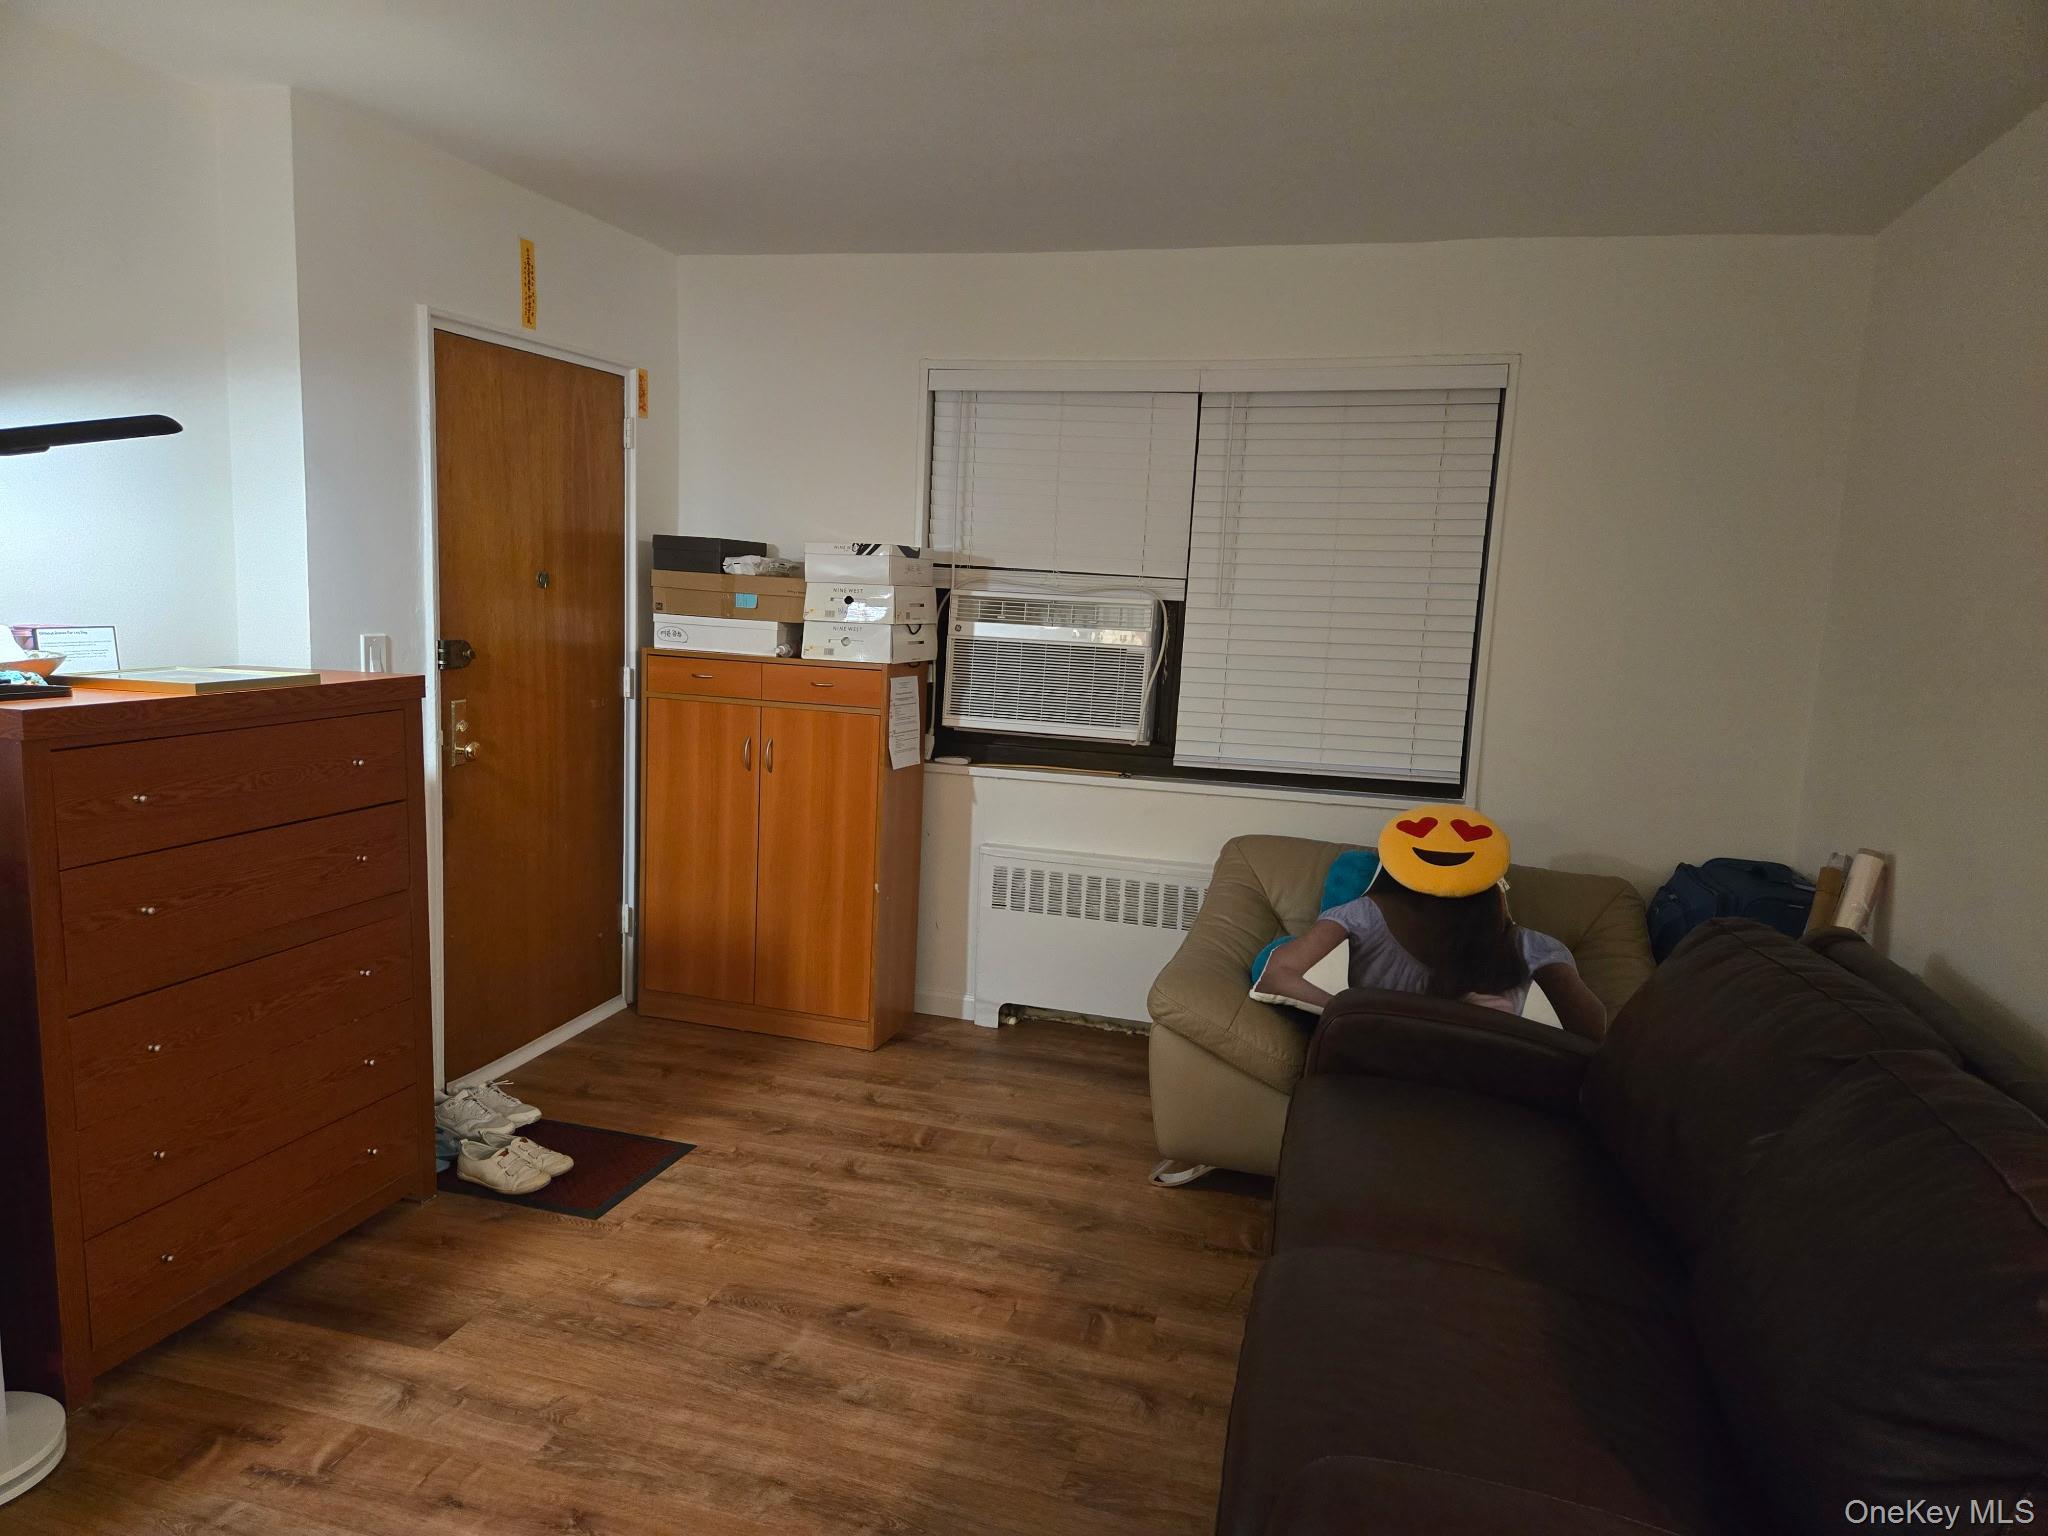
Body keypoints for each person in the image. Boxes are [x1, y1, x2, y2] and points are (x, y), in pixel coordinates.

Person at [1255, 807, 1608, 1038]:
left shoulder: (1536, 949)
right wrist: (1372, 1018)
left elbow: (1592, 1035)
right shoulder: (1365, 916)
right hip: (1387, 1075)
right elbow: (1277, 974)